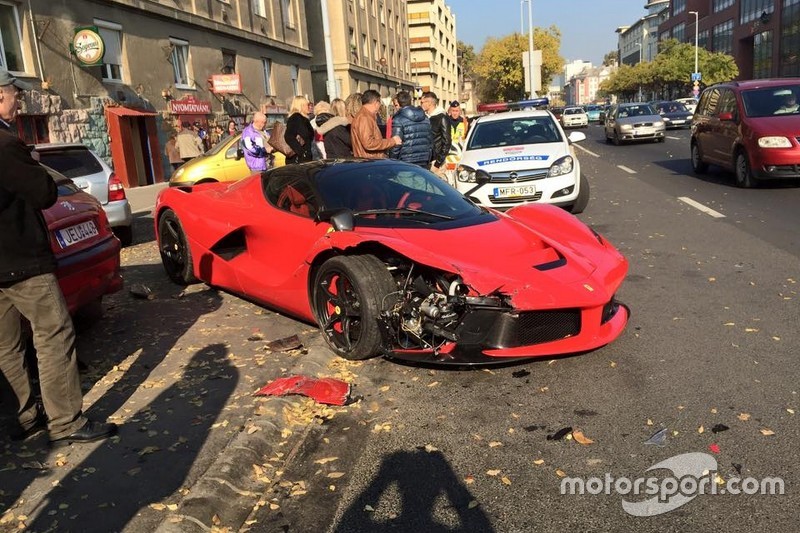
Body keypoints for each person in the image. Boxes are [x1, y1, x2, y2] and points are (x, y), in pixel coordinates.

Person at [0, 69, 117, 446]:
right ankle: (66, 421)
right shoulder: (5, 145)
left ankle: (24, 417)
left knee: (5, 344)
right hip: (20, 258)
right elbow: (44, 194)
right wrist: (34, 164)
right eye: (13, 94)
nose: (18, 101)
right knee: (53, 331)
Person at [351, 89, 401, 159]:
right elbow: (368, 143)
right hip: (370, 162)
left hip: (370, 161)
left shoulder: (365, 115)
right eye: (379, 103)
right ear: (376, 103)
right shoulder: (364, 117)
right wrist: (392, 141)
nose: (379, 106)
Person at [388, 90, 432, 167]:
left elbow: (396, 143)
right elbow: (430, 141)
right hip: (423, 160)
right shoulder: (425, 118)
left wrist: (392, 161)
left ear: (398, 103)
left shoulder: (398, 119)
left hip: (405, 161)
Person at [420, 91, 451, 176]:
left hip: (436, 163)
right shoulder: (424, 117)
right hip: (425, 161)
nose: (421, 104)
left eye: (422, 102)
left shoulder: (442, 118)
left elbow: (447, 142)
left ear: (429, 103)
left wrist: (438, 163)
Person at [284, 95, 314, 164]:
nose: (309, 107)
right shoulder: (296, 118)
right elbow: (288, 136)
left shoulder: (304, 119)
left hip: (305, 157)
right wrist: (301, 152)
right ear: (301, 106)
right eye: (307, 105)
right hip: (297, 159)